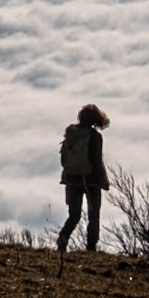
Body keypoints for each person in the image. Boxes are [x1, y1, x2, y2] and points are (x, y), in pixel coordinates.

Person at [56, 104, 111, 252]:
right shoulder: (95, 136)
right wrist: (103, 182)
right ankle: (91, 247)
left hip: (71, 179)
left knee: (74, 215)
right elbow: (97, 161)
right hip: (91, 181)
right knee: (94, 214)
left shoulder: (71, 133)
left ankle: (63, 238)